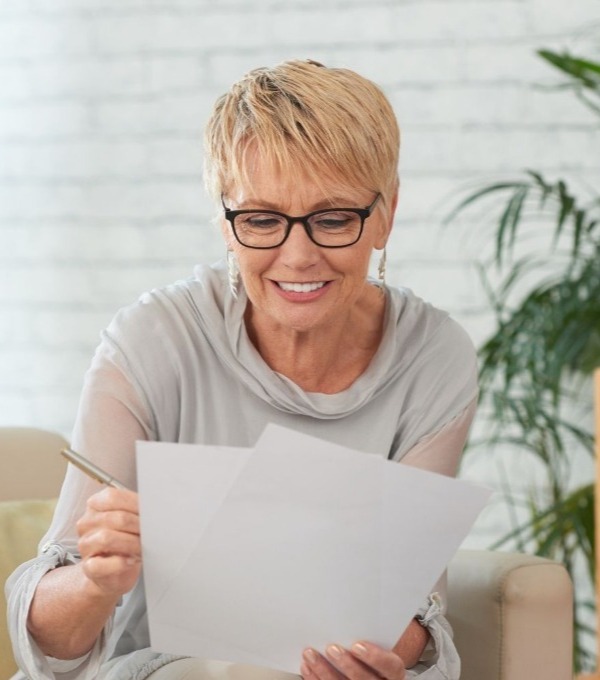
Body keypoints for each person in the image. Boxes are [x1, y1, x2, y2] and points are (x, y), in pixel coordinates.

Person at [6, 59, 478, 680]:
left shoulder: (434, 355)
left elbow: (415, 603)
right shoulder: (152, 340)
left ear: (385, 214)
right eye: (261, 220)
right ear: (225, 224)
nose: (298, 256)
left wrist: (382, 655)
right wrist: (96, 579)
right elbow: (48, 643)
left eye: (333, 218)